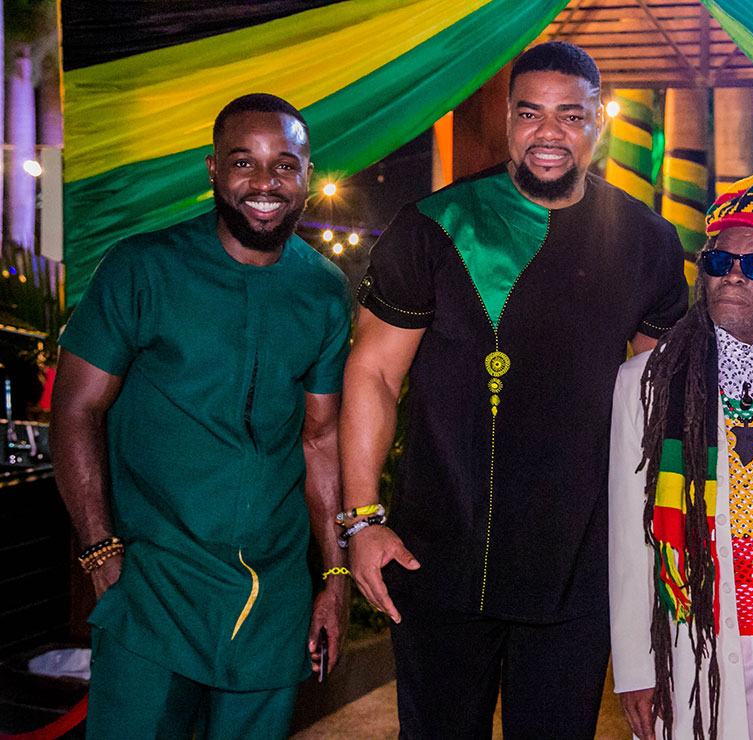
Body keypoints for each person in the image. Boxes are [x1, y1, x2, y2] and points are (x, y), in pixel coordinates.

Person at [340, 41, 688, 740]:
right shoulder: (436, 224)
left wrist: (651, 550)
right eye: (531, 114)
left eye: (571, 115)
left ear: (600, 124)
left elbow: (654, 407)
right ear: (507, 117)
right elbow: (373, 371)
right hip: (437, 556)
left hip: (576, 566)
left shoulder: (648, 240)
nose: (549, 133)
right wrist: (361, 520)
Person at [50, 93, 351, 740]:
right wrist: (101, 553)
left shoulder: (324, 289)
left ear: (307, 172)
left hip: (272, 604)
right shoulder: (142, 267)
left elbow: (320, 440)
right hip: (152, 589)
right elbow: (75, 409)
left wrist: (333, 574)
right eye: (244, 163)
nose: (265, 183)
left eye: (285, 164)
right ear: (212, 169)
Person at [609, 173, 753, 740]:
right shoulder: (646, 379)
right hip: (690, 643)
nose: (733, 275)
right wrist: (637, 667)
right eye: (718, 262)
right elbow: (627, 535)